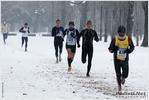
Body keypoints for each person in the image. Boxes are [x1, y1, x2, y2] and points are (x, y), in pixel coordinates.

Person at [108, 25, 135, 94]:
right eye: (120, 32)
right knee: (118, 74)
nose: (121, 34)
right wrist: (114, 49)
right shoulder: (115, 39)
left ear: (124, 32)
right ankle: (119, 87)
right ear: (118, 32)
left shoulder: (128, 39)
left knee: (125, 74)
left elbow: (132, 47)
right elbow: (110, 49)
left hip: (125, 59)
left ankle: (123, 77)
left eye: (122, 32)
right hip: (116, 59)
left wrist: (129, 50)